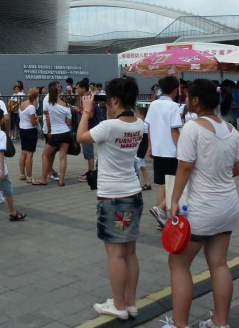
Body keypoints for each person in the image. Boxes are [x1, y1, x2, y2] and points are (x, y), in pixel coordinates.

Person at [167, 79, 239, 328]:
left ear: (196, 101)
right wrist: (217, 173)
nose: (185, 100)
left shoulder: (193, 128)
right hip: (228, 206)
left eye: (187, 96)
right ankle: (220, 323)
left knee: (178, 263)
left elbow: (185, 166)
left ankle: (180, 325)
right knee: (219, 263)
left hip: (203, 208)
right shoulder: (231, 129)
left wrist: (174, 200)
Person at [77, 77, 143, 321]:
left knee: (115, 254)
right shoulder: (139, 124)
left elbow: (80, 136)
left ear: (115, 99)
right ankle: (130, 302)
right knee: (130, 253)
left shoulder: (108, 127)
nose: (105, 105)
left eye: (107, 100)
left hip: (113, 197)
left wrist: (86, 111)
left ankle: (118, 305)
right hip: (133, 193)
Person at [145, 76, 182, 229]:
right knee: (176, 185)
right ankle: (160, 209)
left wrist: (150, 146)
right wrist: (181, 149)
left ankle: (162, 219)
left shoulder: (153, 104)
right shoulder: (173, 106)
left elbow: (149, 127)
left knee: (162, 184)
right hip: (171, 151)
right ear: (175, 90)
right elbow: (174, 129)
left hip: (158, 150)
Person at [0, 108, 26, 221]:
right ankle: (13, 212)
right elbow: (1, 152)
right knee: (8, 191)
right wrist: (2, 170)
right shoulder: (1, 134)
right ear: (2, 119)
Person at [33, 83, 72, 186]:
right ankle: (61, 181)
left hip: (55, 133)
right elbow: (69, 122)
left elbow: (47, 116)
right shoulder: (66, 106)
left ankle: (43, 179)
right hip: (66, 133)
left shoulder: (49, 105)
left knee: (45, 155)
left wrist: (50, 129)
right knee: (63, 157)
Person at [18, 87, 39, 182]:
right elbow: (33, 123)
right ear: (36, 97)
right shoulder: (31, 107)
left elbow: (20, 116)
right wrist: (37, 119)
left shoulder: (22, 104)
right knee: (29, 154)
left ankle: (22, 174)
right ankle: (29, 176)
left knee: (23, 152)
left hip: (22, 129)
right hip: (30, 131)